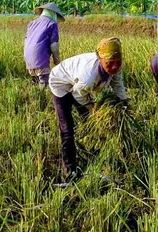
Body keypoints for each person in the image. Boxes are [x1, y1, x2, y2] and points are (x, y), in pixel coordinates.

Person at [49, 37, 130, 181]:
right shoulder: (88, 76)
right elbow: (78, 94)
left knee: (89, 122)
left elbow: (117, 84)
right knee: (67, 129)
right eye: (109, 64)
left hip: (77, 85)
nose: (114, 67)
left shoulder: (116, 66)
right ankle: (69, 172)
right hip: (60, 83)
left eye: (118, 63)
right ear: (100, 59)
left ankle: (91, 152)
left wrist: (124, 103)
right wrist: (94, 110)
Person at [24, 3, 64, 88]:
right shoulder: (52, 24)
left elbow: (27, 39)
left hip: (28, 56)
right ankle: (40, 99)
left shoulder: (32, 23)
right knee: (44, 83)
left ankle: (34, 98)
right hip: (40, 56)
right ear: (53, 13)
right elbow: (54, 45)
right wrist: (57, 60)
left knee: (35, 82)